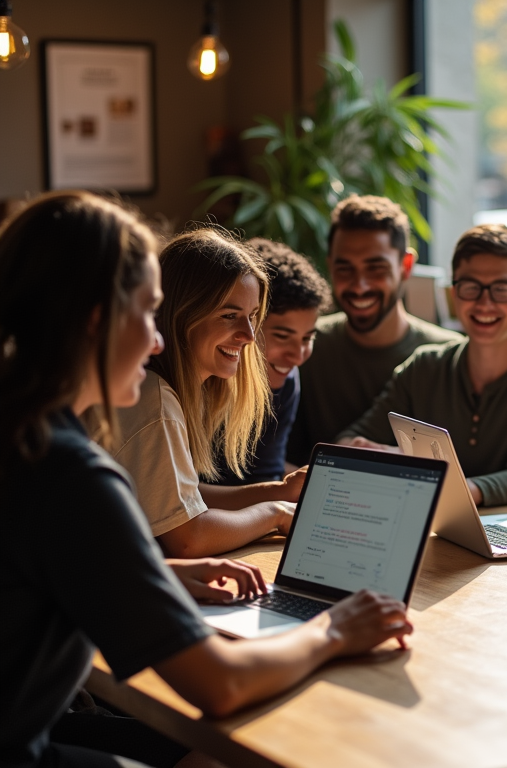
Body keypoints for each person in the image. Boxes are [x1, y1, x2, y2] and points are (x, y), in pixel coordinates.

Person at [0, 192, 412, 768]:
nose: (156, 339)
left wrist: (157, 573)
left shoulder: (23, 436)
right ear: (97, 321)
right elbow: (220, 684)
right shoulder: (71, 473)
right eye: (147, 313)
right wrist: (336, 629)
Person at [339, 224, 507, 506]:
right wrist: (375, 452)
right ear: (454, 293)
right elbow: (348, 443)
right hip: (426, 523)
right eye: (470, 287)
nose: (484, 303)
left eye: (501, 289)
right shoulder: (425, 366)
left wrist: (439, 482)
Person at [110, 229, 304, 558]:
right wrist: (275, 513)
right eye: (229, 316)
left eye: (253, 316)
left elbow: (181, 499)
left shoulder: (169, 389)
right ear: (181, 314)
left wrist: (281, 491)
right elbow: (188, 537)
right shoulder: (154, 398)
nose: (249, 335)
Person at [286, 195, 462, 465]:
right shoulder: (300, 346)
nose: (359, 286)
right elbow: (272, 461)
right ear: (330, 265)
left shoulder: (450, 356)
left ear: (405, 266)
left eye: (375, 268)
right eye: (345, 269)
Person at [209, 238, 331, 485]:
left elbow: (265, 475)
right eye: (282, 336)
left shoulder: (285, 381)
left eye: (307, 338)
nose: (297, 356)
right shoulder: (200, 380)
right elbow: (181, 499)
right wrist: (278, 500)